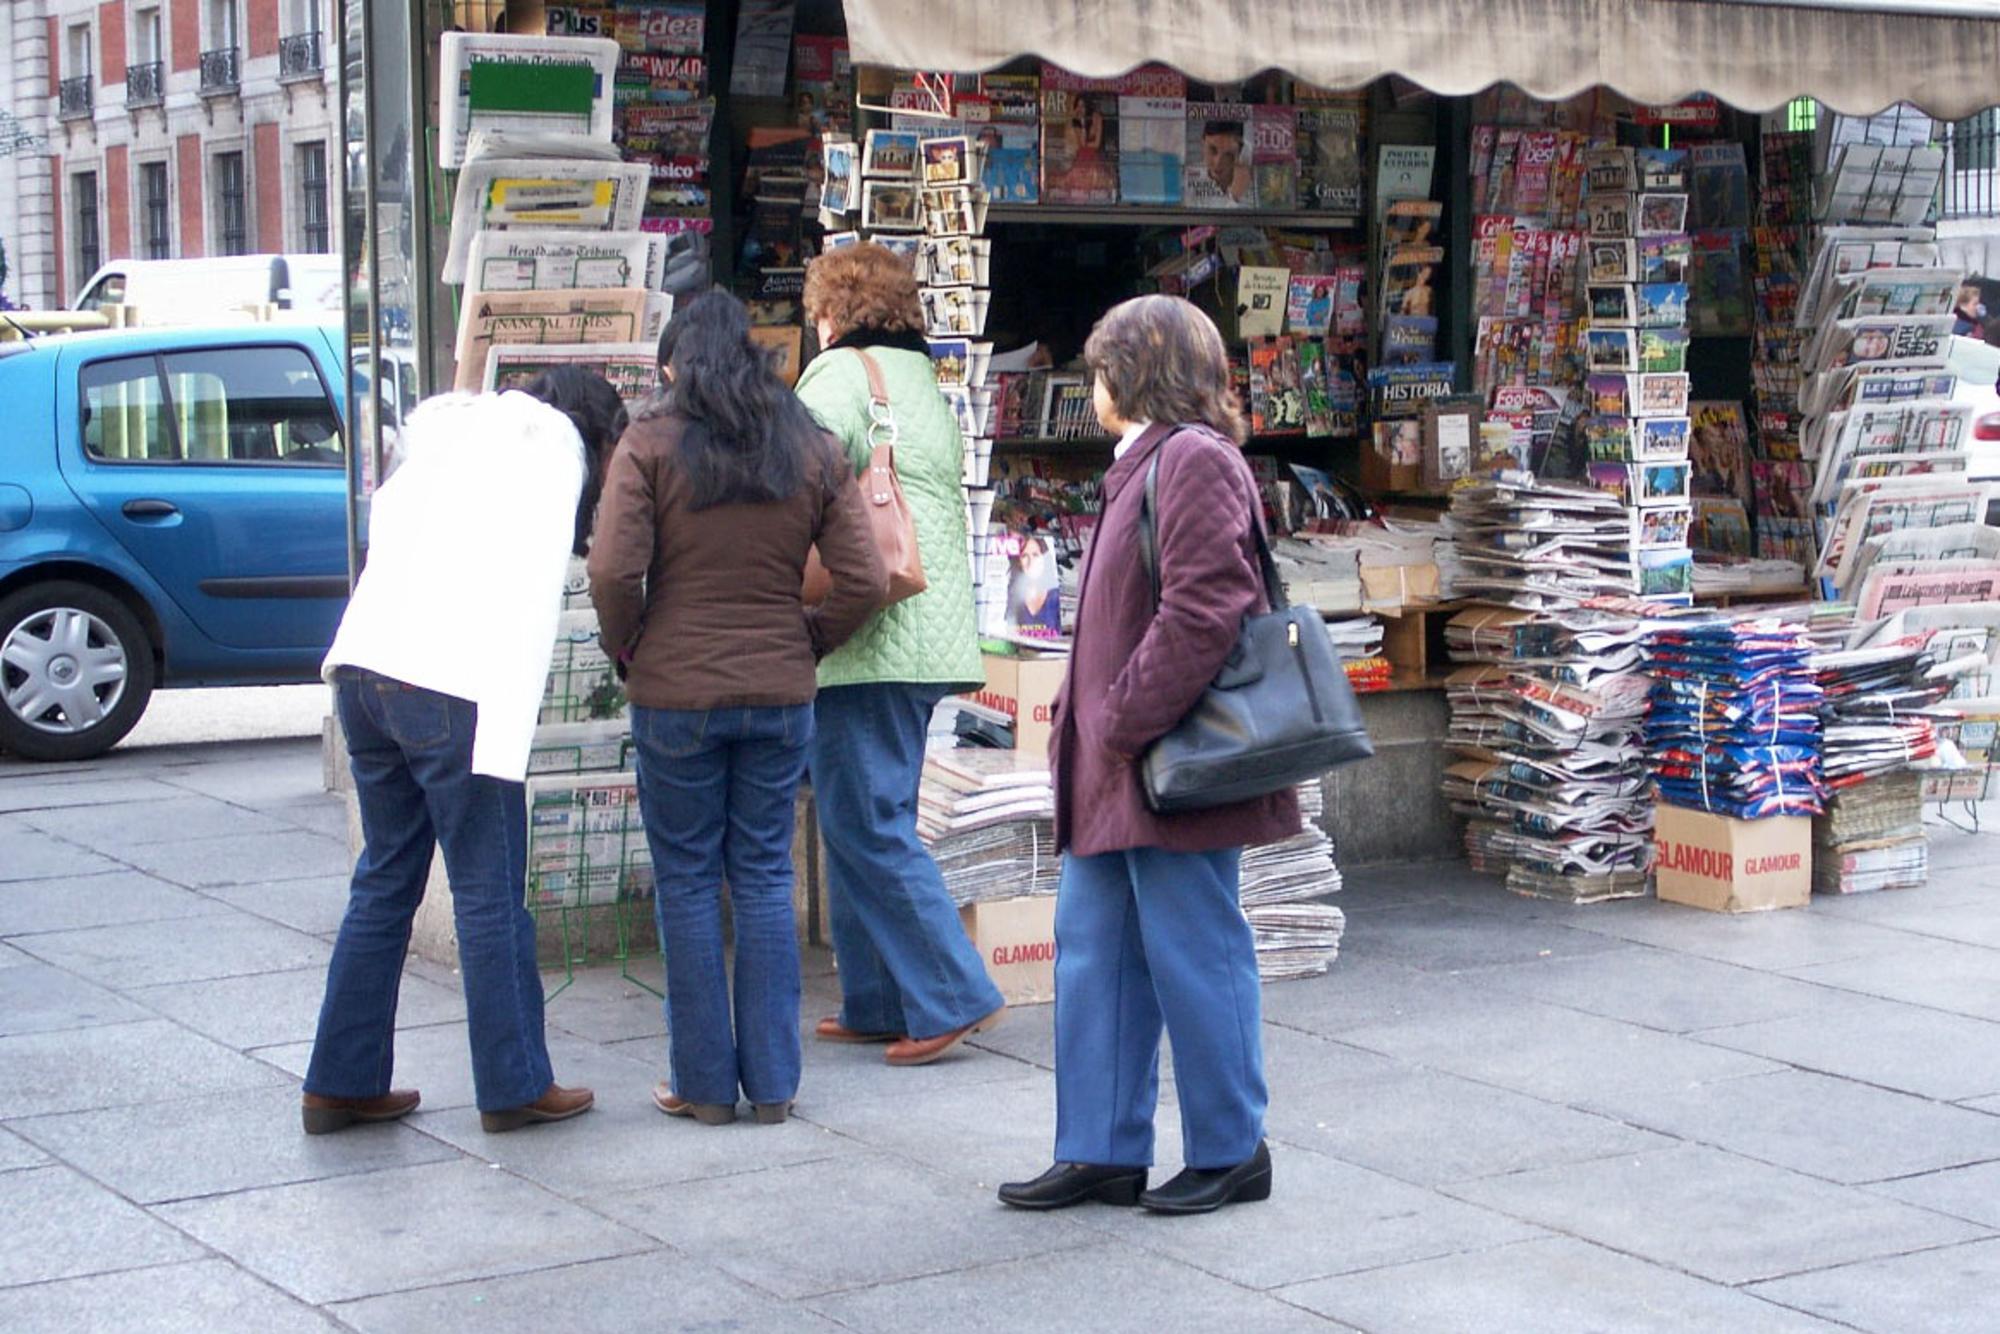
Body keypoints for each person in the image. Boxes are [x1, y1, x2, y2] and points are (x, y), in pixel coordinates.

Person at [999, 295, 1299, 1215]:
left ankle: (1230, 1147)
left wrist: (1121, 721)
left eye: (1098, 369)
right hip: (1121, 765)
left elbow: (1206, 610)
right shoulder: (1151, 460)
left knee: (1193, 953)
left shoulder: (1195, 459)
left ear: (1129, 375)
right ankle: (1101, 1146)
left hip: (1168, 762)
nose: (1091, 388)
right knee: (1098, 957)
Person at [303, 368, 626, 1136]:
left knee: (384, 879)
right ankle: (514, 1084)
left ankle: (339, 1081)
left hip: (364, 664)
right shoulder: (551, 455)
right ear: (598, 432)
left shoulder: (450, 434)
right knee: (488, 891)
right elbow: (525, 610)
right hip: (450, 683)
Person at [589, 290, 885, 1126]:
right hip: (781, 691)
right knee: (763, 875)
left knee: (687, 883)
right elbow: (862, 581)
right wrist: (810, 640)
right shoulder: (810, 444)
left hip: (675, 692)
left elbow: (613, 571)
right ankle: (775, 1086)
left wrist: (631, 645)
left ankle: (703, 1085)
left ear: (675, 367)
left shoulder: (649, 443)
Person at [795, 242, 1008, 1066]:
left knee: (864, 819)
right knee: (862, 816)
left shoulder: (839, 375)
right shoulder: (922, 380)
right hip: (930, 627)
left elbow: (798, 474)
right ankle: (878, 999)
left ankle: (954, 994)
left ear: (832, 312)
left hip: (872, 635)